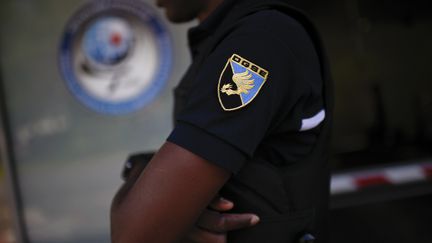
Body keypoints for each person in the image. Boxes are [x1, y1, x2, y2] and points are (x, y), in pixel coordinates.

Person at [110, 0, 333, 242]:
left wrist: (141, 187)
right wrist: (183, 211)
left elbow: (134, 235)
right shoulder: (228, 36)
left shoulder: (259, 39)